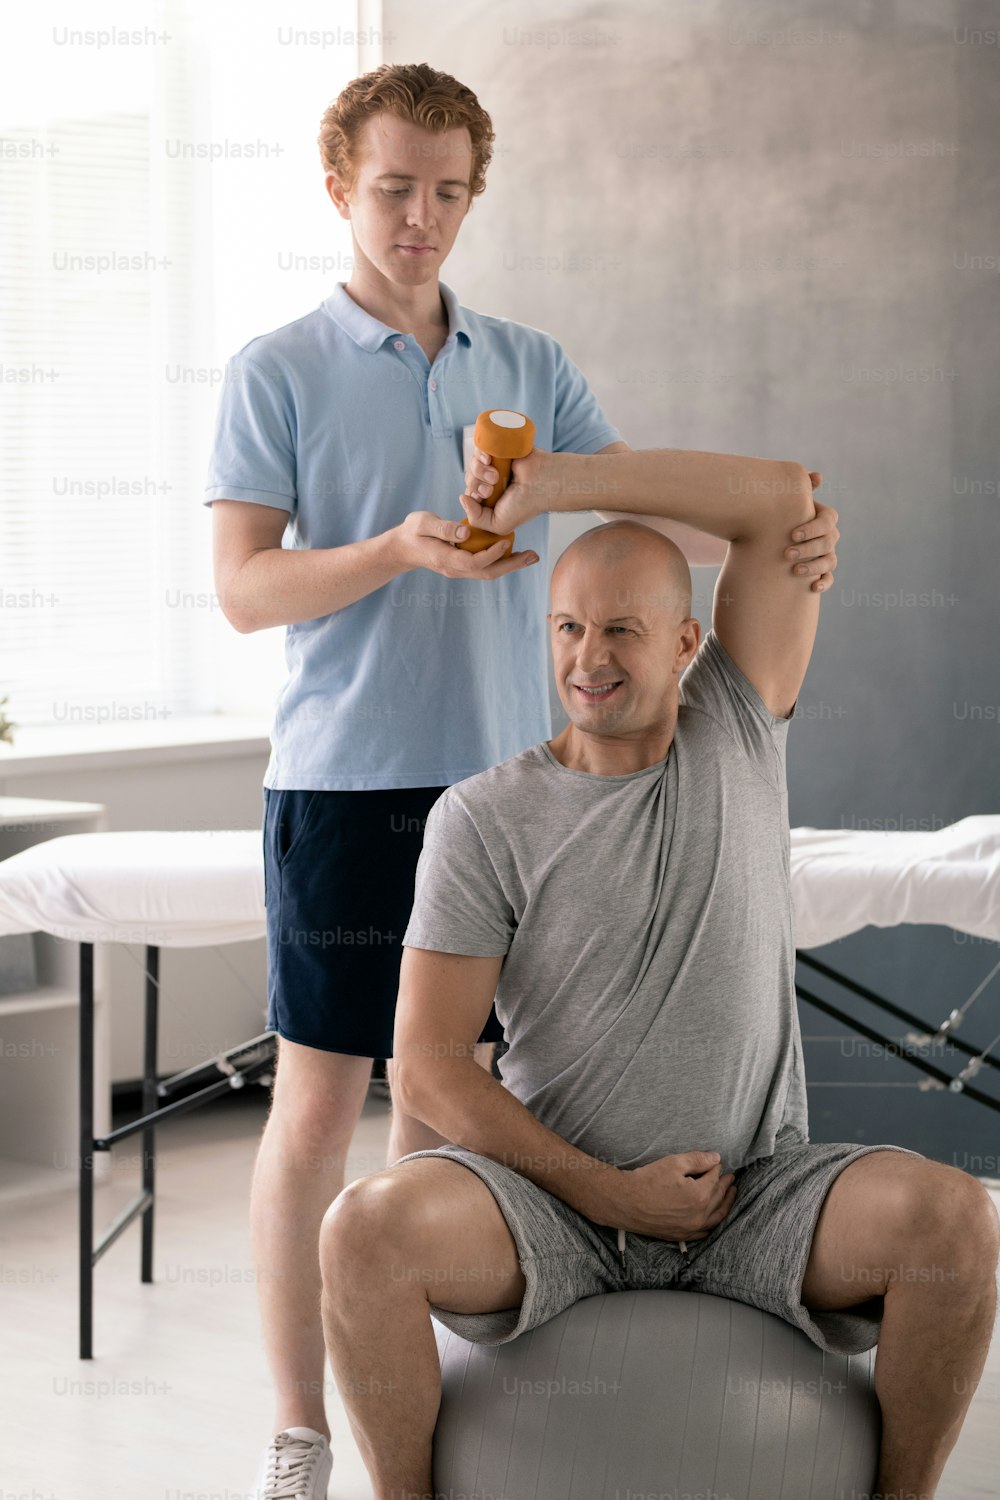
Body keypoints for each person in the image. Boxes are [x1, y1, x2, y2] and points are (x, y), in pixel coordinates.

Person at [205, 61, 843, 1499]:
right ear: (337, 189)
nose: (420, 218)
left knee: (446, 1115)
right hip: (350, 784)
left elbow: (634, 505)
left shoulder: (527, 363)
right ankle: (305, 1434)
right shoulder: (280, 369)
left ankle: (449, 1393)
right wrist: (395, 550)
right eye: (393, 191)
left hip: (510, 791)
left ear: (473, 196)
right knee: (319, 1109)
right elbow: (245, 592)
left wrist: (792, 540)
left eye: (446, 193)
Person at [318, 482, 1000, 1500]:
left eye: (622, 632)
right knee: (361, 1230)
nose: (587, 660)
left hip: (754, 1192)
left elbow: (774, 501)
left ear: (687, 643)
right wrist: (607, 1190)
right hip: (551, 1207)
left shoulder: (737, 727)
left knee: (957, 1222)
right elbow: (424, 1061)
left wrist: (548, 480)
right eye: (568, 628)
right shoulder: (481, 818)